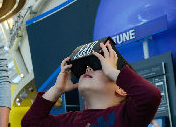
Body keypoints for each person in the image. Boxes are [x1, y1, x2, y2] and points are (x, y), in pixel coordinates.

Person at [21, 42, 162, 127]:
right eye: (83, 69)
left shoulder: (127, 115)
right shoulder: (69, 121)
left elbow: (150, 96)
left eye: (98, 67)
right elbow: (30, 124)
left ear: (121, 89)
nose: (87, 69)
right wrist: (57, 89)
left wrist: (113, 71)